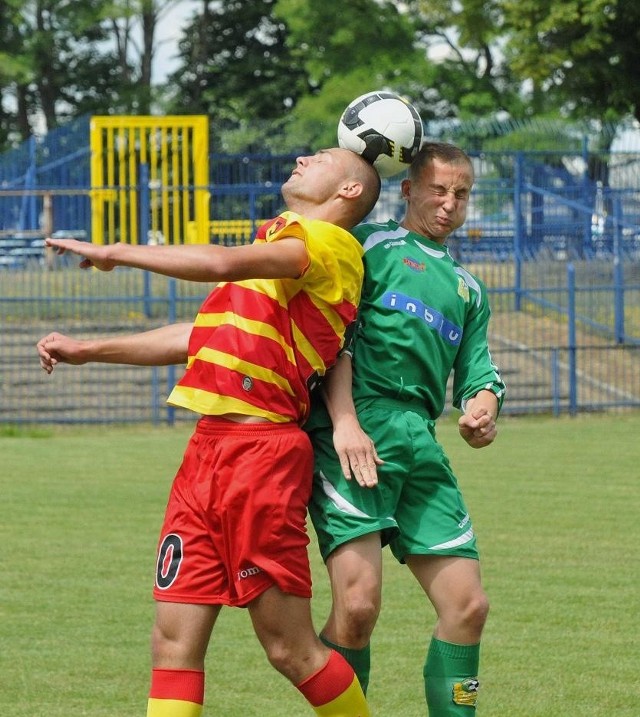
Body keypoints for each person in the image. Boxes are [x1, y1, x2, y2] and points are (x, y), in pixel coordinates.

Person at [37, 147, 381, 717]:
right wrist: (87, 350)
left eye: (319, 158)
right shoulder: (275, 252)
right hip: (206, 455)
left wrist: (114, 253)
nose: (301, 157)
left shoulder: (331, 247)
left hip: (261, 457)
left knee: (290, 650)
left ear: (347, 192)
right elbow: (198, 335)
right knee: (171, 644)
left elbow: (221, 263)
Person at [305, 142, 507, 716]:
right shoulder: (367, 245)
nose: (449, 204)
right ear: (408, 189)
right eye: (438, 190)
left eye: (462, 194)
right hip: (355, 430)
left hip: (420, 439)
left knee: (467, 607)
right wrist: (343, 421)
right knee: (359, 605)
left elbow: (479, 373)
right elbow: (332, 336)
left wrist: (482, 408)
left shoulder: (469, 289)